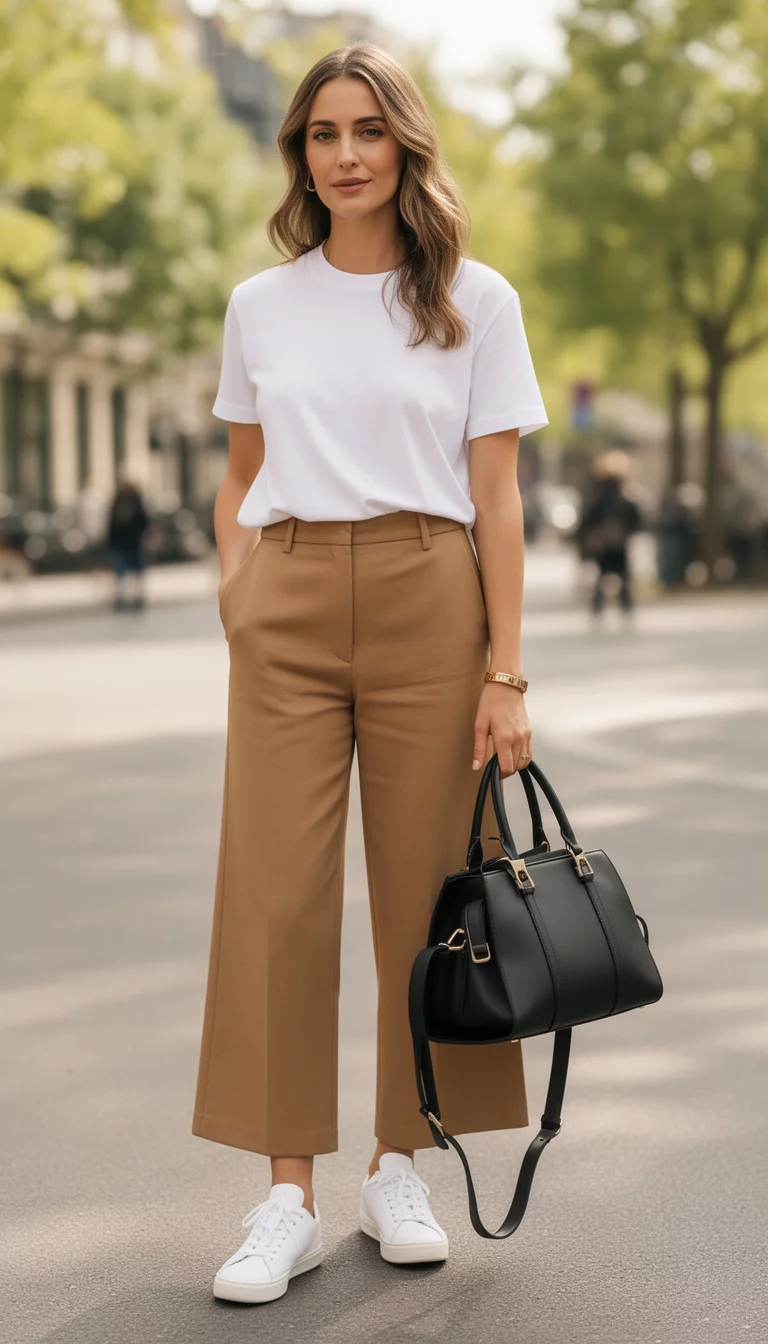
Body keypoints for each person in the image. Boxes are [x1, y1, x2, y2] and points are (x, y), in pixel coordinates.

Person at [192, 42, 549, 1305]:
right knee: (278, 899)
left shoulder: (476, 300)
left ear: (406, 144)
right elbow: (241, 469)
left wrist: (505, 672)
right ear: (300, 155)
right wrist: (238, 591)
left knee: (425, 901)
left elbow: (495, 496)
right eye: (319, 135)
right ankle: (284, 1192)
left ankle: (402, 1162)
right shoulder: (260, 303)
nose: (343, 154)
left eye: (366, 131)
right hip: (284, 599)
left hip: (426, 599)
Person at [577, 450, 642, 615]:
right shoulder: (624, 496)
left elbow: (588, 519)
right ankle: (625, 604)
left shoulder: (598, 495)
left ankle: (598, 604)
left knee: (601, 575)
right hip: (620, 541)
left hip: (603, 542)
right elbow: (635, 518)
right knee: (623, 575)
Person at [106, 479, 149, 611]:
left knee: (121, 573)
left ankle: (121, 599)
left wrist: (110, 542)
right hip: (133, 542)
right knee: (136, 572)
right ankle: (136, 598)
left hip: (121, 542)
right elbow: (144, 522)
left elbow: (111, 524)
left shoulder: (117, 502)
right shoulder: (136, 501)